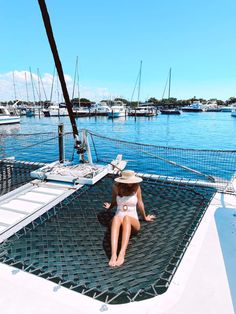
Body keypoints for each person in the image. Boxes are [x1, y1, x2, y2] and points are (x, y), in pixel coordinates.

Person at [103, 170, 156, 267]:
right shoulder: (116, 187)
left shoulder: (137, 188)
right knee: (116, 218)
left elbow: (140, 203)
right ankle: (113, 254)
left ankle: (122, 253)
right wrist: (110, 207)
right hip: (119, 218)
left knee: (127, 218)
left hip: (132, 221)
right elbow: (114, 201)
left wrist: (144, 217)